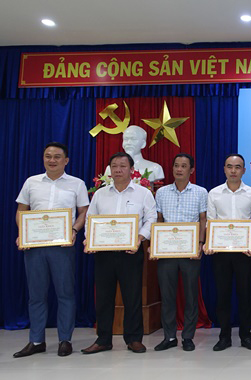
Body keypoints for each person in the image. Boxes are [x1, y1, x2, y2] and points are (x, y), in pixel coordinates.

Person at [13, 142, 89, 358]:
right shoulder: (31, 182)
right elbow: (21, 210)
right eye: (48, 156)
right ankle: (36, 341)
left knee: (65, 293)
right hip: (35, 246)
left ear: (66, 160)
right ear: (43, 158)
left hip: (62, 246)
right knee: (36, 295)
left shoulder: (77, 184)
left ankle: (65, 340)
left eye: (57, 156)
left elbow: (84, 211)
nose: (52, 160)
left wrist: (74, 230)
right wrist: (23, 233)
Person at [82, 152, 157, 354]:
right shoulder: (100, 194)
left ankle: (133, 339)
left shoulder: (143, 193)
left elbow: (151, 219)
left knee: (132, 297)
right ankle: (103, 339)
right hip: (104, 253)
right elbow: (91, 219)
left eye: (123, 166)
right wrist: (89, 239)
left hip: (131, 252)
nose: (118, 170)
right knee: (104, 298)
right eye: (114, 166)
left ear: (132, 170)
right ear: (109, 170)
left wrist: (139, 238)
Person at [205, 154, 251, 352]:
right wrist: (209, 243)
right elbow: (210, 222)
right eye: (229, 166)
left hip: (244, 253)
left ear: (244, 170)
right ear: (224, 169)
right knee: (223, 295)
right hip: (220, 252)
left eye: (238, 167)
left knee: (245, 295)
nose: (233, 170)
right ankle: (224, 337)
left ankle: (246, 336)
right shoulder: (214, 193)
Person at [151, 153, 207, 352]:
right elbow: (158, 220)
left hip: (190, 251)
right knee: (167, 295)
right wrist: (155, 244)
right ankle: (169, 336)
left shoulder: (200, 192)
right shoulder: (162, 193)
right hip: (166, 252)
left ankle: (188, 337)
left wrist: (200, 243)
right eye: (176, 165)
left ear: (191, 170)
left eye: (184, 166)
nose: (179, 169)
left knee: (191, 295)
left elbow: (203, 220)